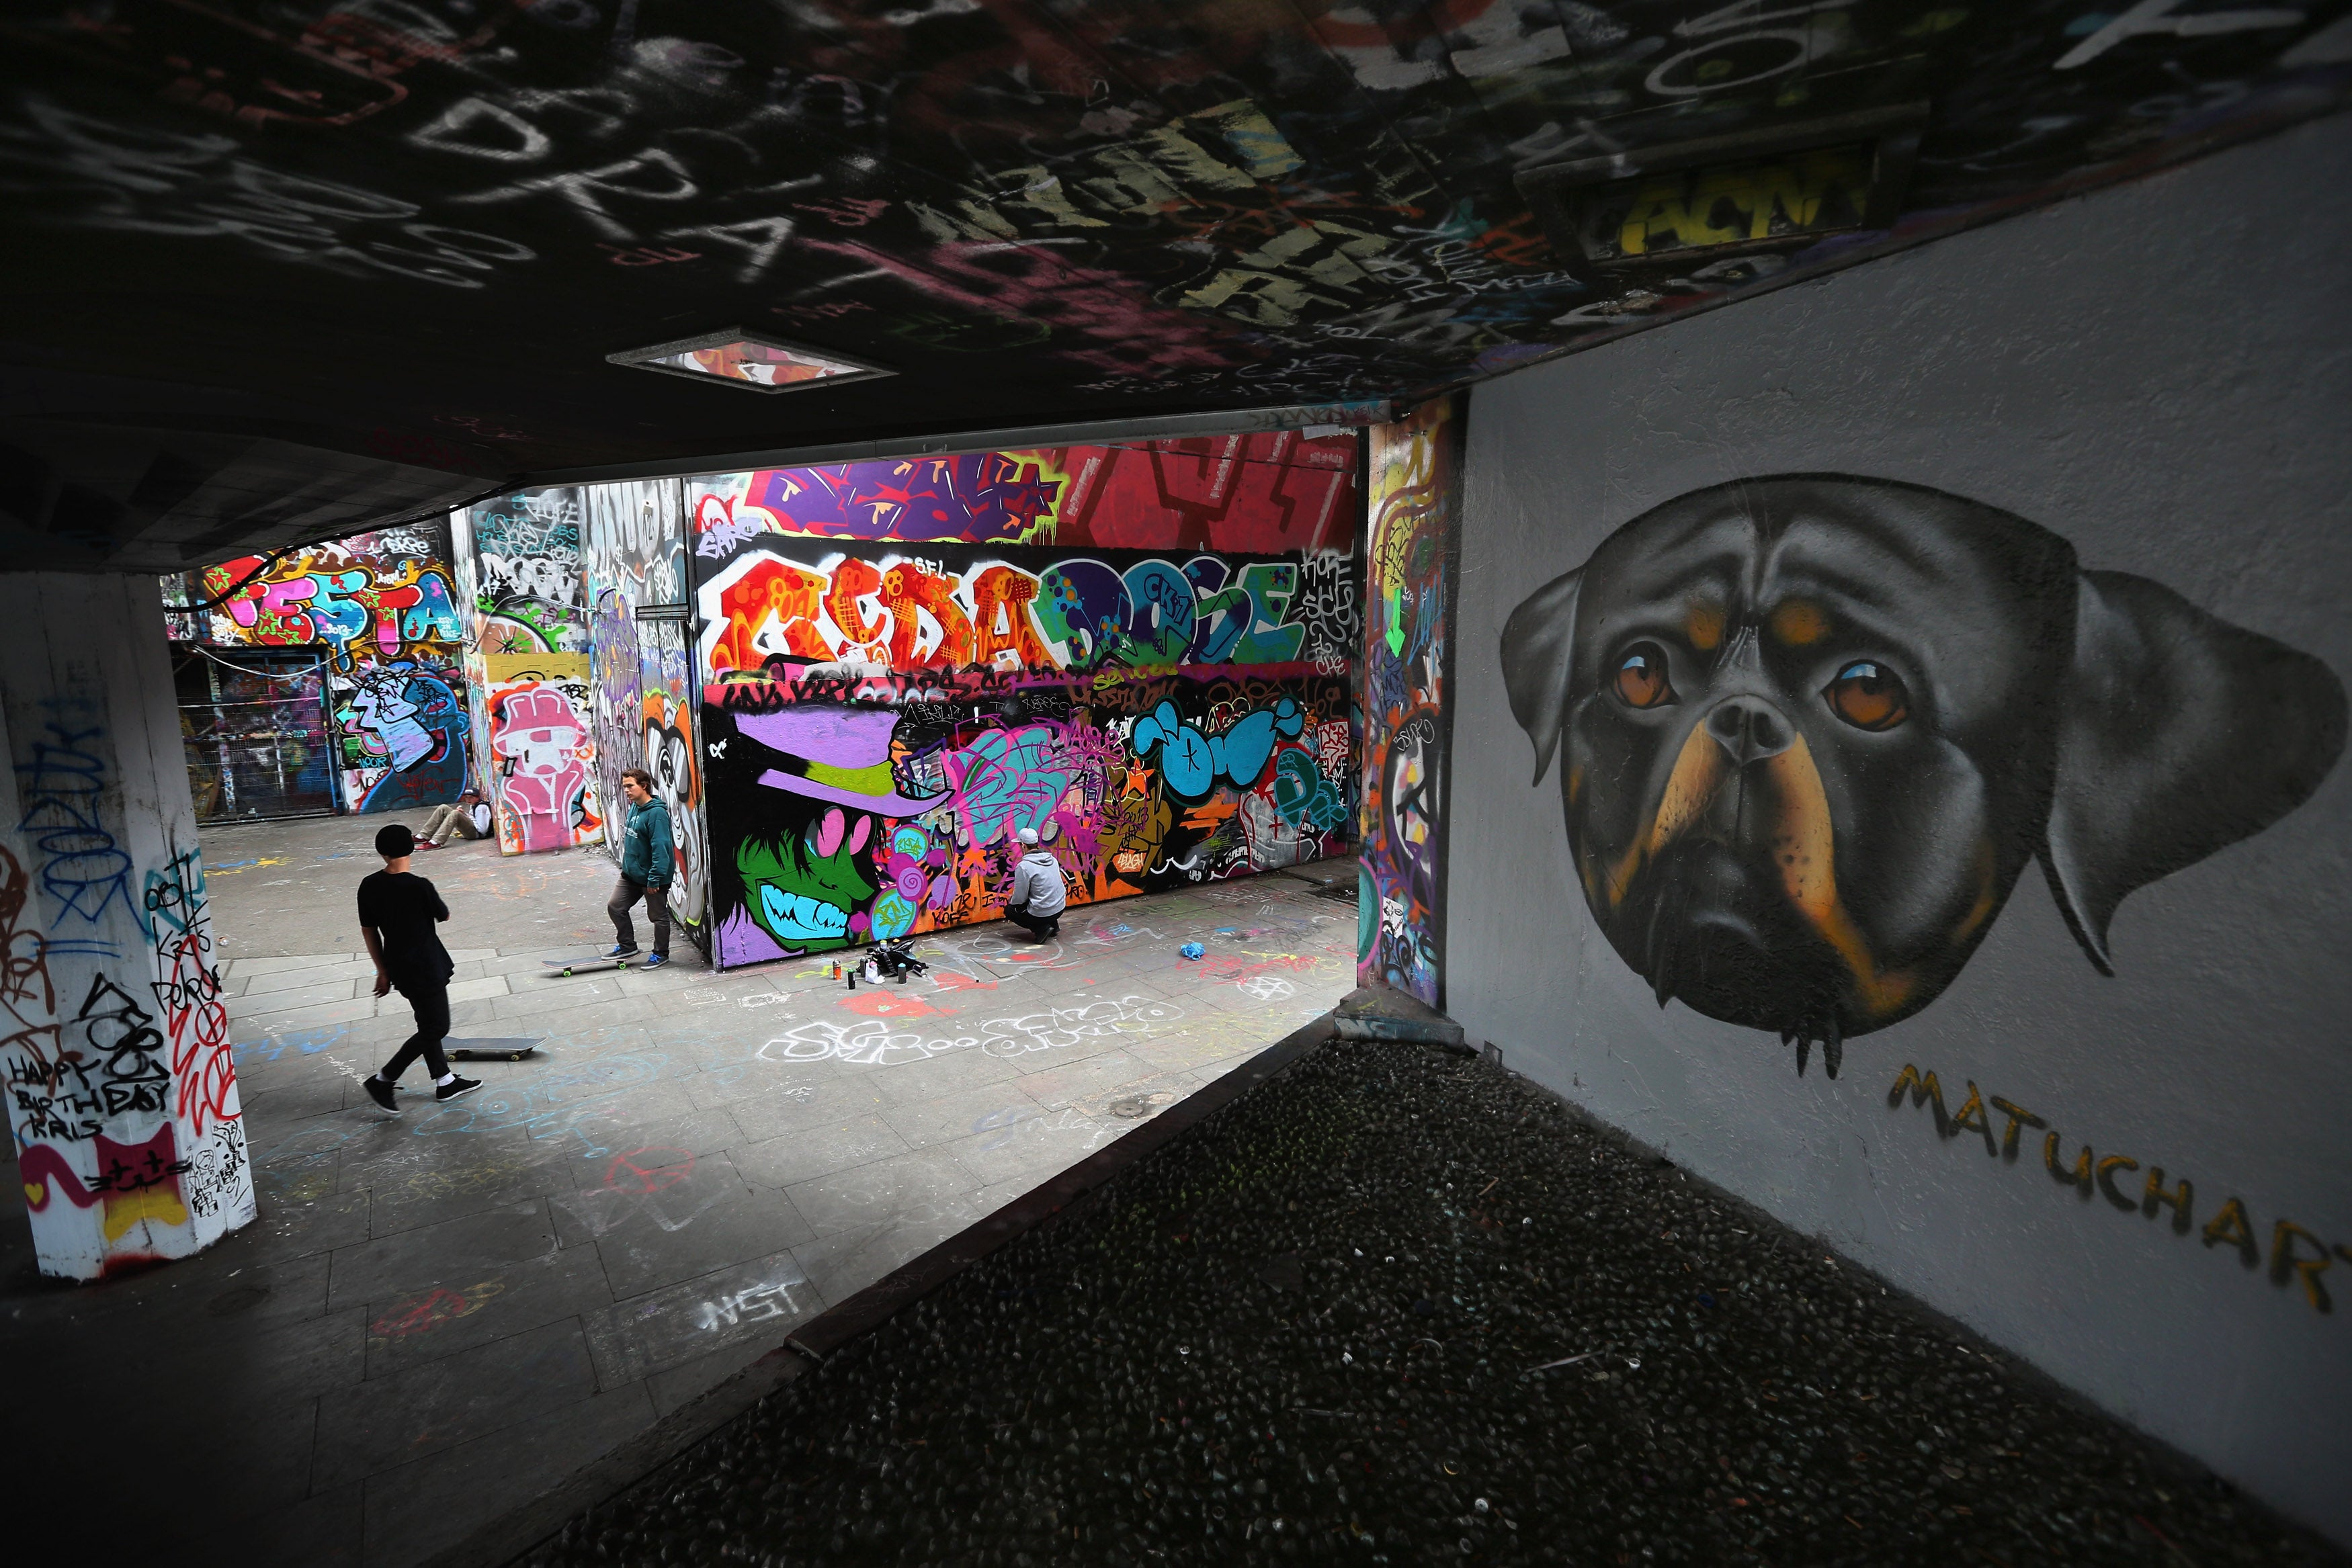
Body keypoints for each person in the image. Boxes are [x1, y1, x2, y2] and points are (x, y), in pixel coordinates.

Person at [357, 823, 480, 1113]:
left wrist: (383, 971)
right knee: (437, 1027)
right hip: (426, 966)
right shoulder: (419, 886)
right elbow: (444, 915)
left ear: (381, 852)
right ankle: (384, 1079)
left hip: (398, 967)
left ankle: (445, 1081)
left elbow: (369, 931)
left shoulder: (369, 885)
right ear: (411, 848)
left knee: (427, 1024)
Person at [607, 767, 675, 967]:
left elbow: (661, 848)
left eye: (630, 786)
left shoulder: (657, 814)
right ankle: (627, 945)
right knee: (616, 907)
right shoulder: (635, 806)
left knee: (658, 917)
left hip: (651, 877)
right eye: (624, 787)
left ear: (643, 786)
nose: (626, 790)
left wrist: (654, 878)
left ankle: (661, 953)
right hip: (631, 875)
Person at [1003, 827, 1066, 941]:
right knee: (1043, 895)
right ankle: (1054, 926)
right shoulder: (1052, 859)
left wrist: (1012, 901)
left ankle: (1042, 929)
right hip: (1060, 908)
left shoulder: (1024, 866)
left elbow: (1020, 898)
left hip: (1043, 913)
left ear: (1023, 845)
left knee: (1010, 911)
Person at [416, 789, 491, 848]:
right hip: (473, 829)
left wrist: (467, 817)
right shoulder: (473, 805)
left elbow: (482, 830)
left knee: (455, 813)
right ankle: (423, 836)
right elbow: (473, 819)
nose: (468, 800)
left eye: (471, 797)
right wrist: (464, 815)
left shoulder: (481, 808)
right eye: (466, 797)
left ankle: (436, 842)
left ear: (478, 798)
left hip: (476, 834)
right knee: (443, 808)